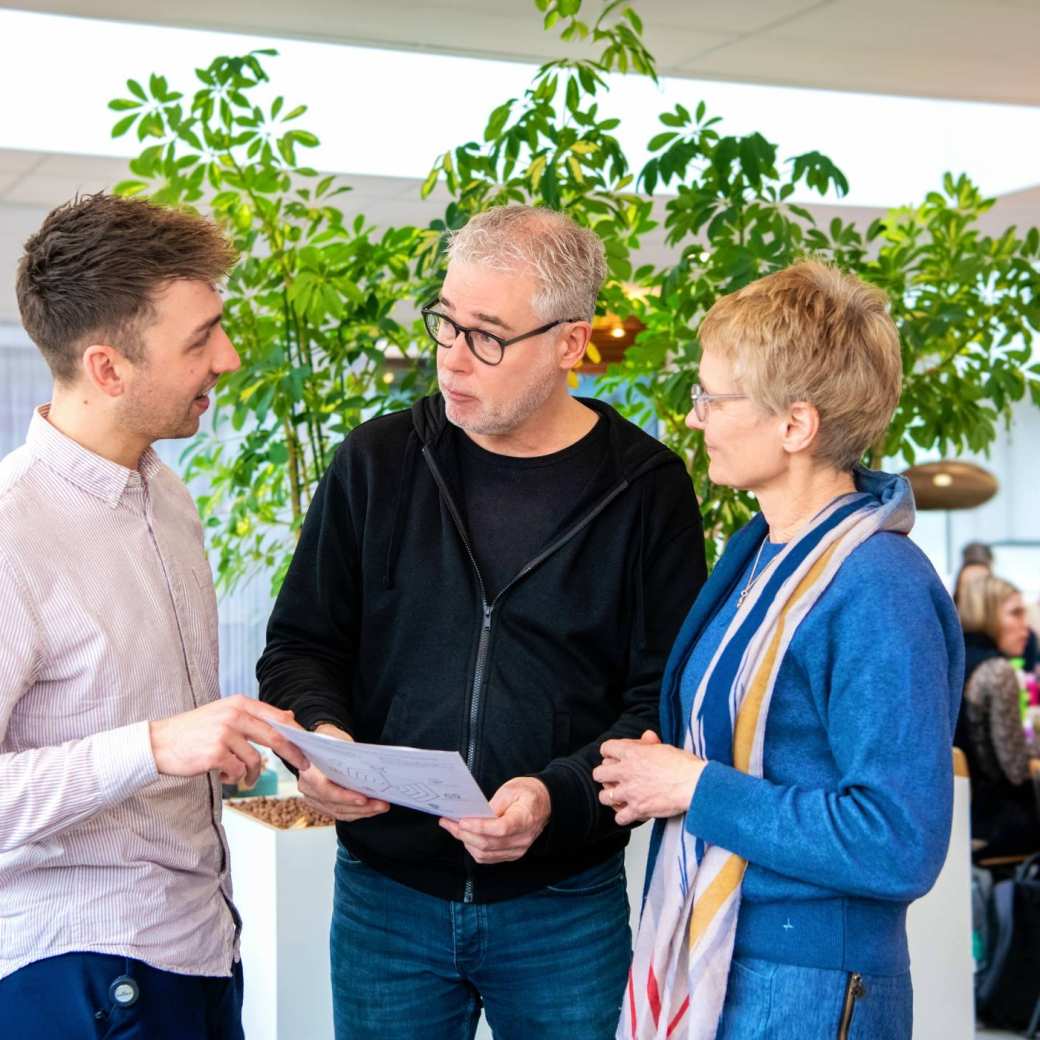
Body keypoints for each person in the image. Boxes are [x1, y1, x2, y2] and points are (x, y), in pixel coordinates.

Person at [257, 204, 707, 1040]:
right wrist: (324, 740)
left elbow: (664, 701)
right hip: (385, 901)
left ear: (570, 344)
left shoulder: (647, 488)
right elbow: (302, 644)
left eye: (488, 337)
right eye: (446, 324)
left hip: (564, 906)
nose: (453, 360)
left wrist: (555, 796)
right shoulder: (377, 462)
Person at [594, 261, 964, 1039]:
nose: (695, 418)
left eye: (712, 397)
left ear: (795, 426)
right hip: (728, 959)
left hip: (809, 987)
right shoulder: (763, 552)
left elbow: (898, 842)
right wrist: (669, 771)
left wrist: (697, 788)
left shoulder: (879, 587)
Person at [0, 193, 308, 1040]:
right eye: (200, 339)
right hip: (81, 972)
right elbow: (144, 742)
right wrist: (153, 747)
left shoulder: (165, 494)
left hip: (202, 947)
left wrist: (228, 751)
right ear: (108, 368)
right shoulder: (12, 533)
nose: (231, 358)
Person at [957, 575, 1040, 858]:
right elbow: (1015, 770)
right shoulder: (998, 671)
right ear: (987, 615)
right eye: (1015, 613)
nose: (1025, 626)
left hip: (956, 813)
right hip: (994, 821)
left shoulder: (956, 658)